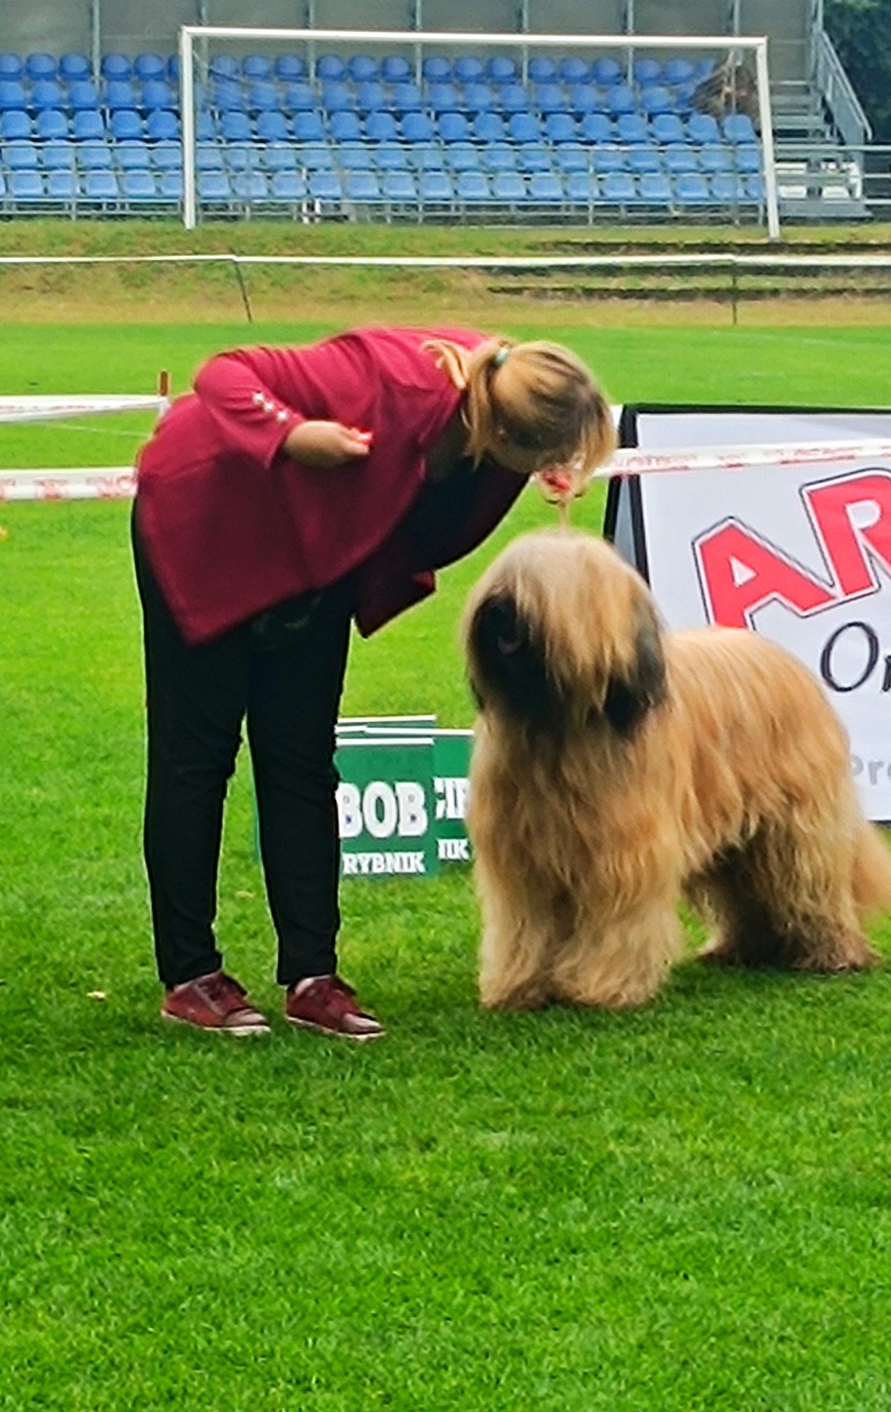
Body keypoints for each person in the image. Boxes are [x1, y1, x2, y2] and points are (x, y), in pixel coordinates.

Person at [132, 325, 617, 1040]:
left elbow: (438, 505)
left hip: (318, 551)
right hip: (210, 526)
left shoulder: (503, 395)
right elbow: (224, 372)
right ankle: (191, 975)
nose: (551, 470)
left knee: (300, 758)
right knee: (195, 759)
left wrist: (524, 468)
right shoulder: (383, 381)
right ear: (500, 430)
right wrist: (292, 435)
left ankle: (312, 975)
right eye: (544, 456)